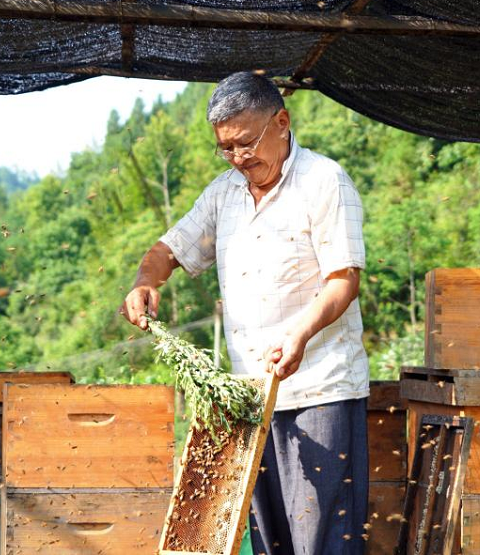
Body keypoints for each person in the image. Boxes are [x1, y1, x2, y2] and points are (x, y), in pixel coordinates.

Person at [120, 71, 369, 555]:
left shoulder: (324, 181)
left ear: (281, 121)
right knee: (271, 537)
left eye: (246, 143)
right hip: (250, 399)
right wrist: (145, 281)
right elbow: (169, 249)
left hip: (319, 390)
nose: (239, 158)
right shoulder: (223, 194)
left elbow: (344, 281)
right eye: (226, 148)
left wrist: (299, 333)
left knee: (322, 541)